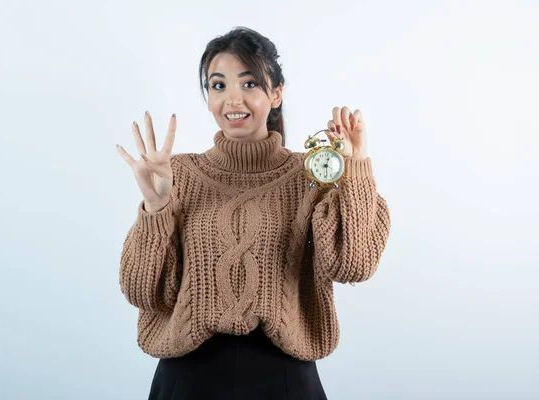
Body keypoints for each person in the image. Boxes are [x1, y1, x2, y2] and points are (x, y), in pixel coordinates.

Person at [116, 26, 391, 400]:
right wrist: (156, 207)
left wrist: (355, 164)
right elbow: (141, 291)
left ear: (276, 94)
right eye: (218, 85)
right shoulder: (174, 174)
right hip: (187, 378)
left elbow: (353, 265)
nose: (232, 99)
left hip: (284, 377)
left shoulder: (311, 174)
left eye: (248, 84)